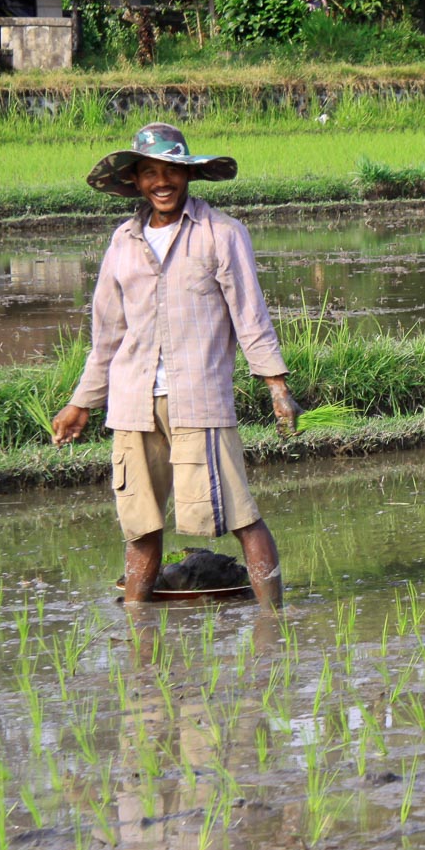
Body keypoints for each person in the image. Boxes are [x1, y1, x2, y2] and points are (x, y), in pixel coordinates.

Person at [51, 123, 300, 608]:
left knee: (241, 515)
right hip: (131, 404)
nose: (161, 181)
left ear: (187, 174)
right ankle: (138, 625)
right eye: (149, 172)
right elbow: (106, 337)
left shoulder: (221, 234)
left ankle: (275, 622)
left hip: (199, 401)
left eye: (171, 171)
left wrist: (276, 385)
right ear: (136, 181)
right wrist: (81, 402)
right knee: (140, 528)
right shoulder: (123, 242)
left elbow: (250, 315)